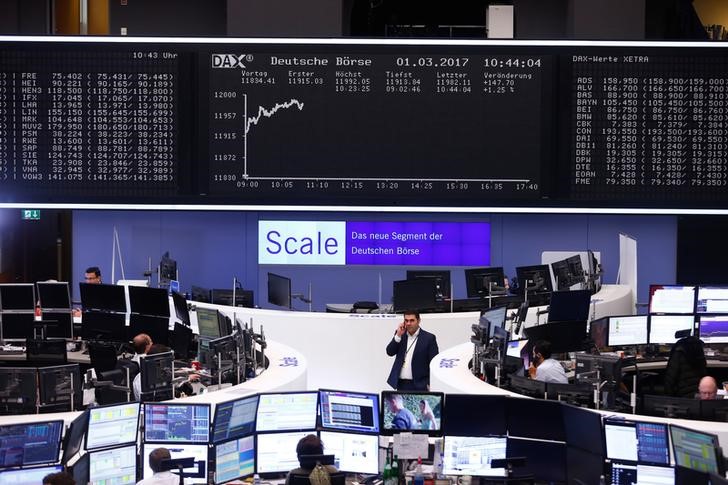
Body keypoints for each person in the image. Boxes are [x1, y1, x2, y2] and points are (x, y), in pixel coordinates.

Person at [386, 310, 439, 390]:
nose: (408, 323)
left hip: (420, 385)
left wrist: (428, 383)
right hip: (401, 384)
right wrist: (398, 335)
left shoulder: (429, 338)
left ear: (419, 321)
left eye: (412, 320)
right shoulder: (401, 335)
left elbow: (434, 363)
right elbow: (390, 352)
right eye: (406, 320)